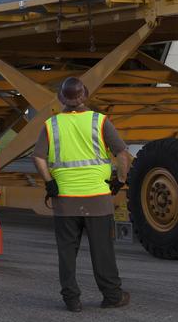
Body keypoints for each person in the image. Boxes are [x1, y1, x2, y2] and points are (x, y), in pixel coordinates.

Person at [32, 76, 132, 312]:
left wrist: (50, 183)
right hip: (97, 197)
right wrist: (120, 179)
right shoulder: (100, 121)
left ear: (61, 98)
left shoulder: (52, 124)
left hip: (65, 199)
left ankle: (71, 299)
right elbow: (123, 154)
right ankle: (112, 296)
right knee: (102, 251)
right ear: (85, 96)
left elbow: (38, 157)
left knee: (67, 252)